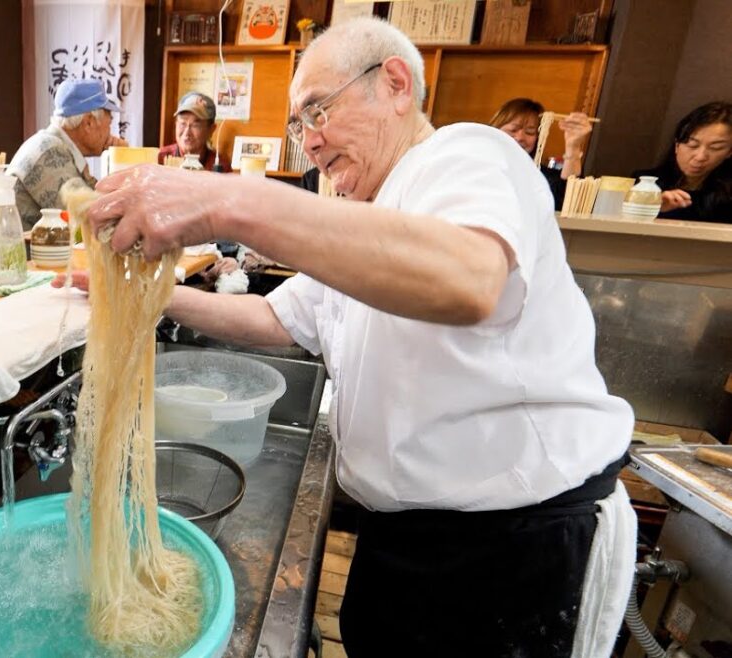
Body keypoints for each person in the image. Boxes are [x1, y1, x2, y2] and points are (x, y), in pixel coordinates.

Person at [62, 17, 635, 658]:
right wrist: (140, 291)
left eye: (317, 112)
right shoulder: (369, 223)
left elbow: (470, 278)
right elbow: (277, 320)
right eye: (297, 127)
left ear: (394, 83)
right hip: (405, 537)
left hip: (515, 543)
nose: (309, 142)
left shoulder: (465, 156)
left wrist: (225, 200)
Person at [7, 78, 126, 230]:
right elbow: (92, 220)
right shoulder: (49, 152)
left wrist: (118, 158)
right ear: (88, 122)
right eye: (109, 125)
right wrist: (121, 166)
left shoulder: (56, 147)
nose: (111, 133)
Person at [634, 101, 732, 222]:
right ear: (677, 145)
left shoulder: (727, 195)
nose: (700, 157)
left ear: (729, 152)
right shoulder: (644, 182)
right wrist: (651, 208)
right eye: (692, 145)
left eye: (715, 148)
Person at [489, 97, 593, 210]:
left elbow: (568, 199)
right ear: (495, 131)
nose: (520, 137)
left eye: (530, 132)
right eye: (513, 130)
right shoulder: (477, 167)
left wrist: (573, 146)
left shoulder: (541, 177)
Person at [157, 91, 217, 171]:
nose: (187, 133)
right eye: (182, 123)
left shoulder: (219, 164)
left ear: (211, 130)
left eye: (195, 125)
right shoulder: (161, 158)